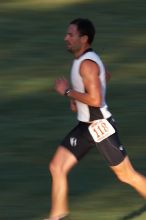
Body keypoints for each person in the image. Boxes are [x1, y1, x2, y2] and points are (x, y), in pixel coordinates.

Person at [45, 18, 146, 220]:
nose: (66, 38)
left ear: (84, 39)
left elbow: (96, 100)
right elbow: (105, 76)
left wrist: (67, 92)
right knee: (57, 167)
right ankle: (57, 216)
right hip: (85, 127)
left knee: (126, 175)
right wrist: (77, 97)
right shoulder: (83, 60)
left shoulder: (87, 65)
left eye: (70, 35)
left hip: (101, 127)